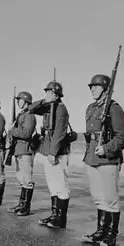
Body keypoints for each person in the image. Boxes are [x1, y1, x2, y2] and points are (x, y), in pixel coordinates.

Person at [81, 74, 124, 246]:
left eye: (96, 86)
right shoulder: (91, 108)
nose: (92, 89)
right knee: (98, 198)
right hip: (92, 157)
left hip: (108, 159)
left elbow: (121, 137)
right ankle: (100, 231)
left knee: (110, 199)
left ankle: (111, 235)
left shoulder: (114, 109)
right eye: (91, 86)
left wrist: (106, 148)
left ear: (106, 89)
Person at [28, 81, 71, 228]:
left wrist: (53, 153)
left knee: (61, 185)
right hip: (49, 151)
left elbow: (59, 133)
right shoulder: (48, 107)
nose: (45, 94)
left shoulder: (61, 109)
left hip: (58, 152)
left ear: (56, 94)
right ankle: (54, 215)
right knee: (53, 185)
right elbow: (31, 108)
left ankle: (61, 218)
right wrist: (44, 101)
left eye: (48, 92)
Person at [6, 91, 37, 216]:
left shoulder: (29, 115)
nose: (18, 102)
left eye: (20, 100)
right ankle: (21, 204)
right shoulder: (22, 115)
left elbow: (26, 133)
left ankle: (26, 206)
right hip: (19, 149)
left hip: (25, 149)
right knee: (21, 178)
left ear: (26, 101)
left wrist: (12, 130)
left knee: (27, 179)